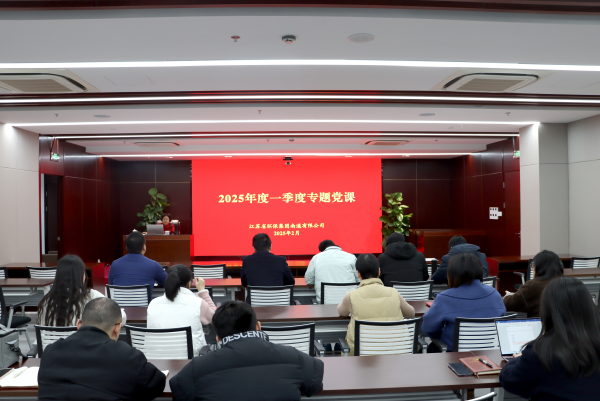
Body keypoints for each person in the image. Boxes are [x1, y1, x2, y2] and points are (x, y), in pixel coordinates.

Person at [169, 301, 324, 401]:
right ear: (258, 326)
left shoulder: (197, 367)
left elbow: (179, 391)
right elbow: (314, 384)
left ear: (218, 339)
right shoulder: (294, 357)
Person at [38, 298, 166, 401]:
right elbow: (157, 384)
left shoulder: (50, 352)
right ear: (117, 328)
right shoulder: (126, 356)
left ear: (79, 324)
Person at [500, 277, 600, 401]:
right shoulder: (595, 343)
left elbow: (510, 381)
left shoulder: (541, 352)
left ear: (548, 310)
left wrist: (517, 359)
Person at [422, 253, 505, 351]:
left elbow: (428, 329)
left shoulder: (444, 298)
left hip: (451, 354)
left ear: (451, 273)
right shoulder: (494, 294)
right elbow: (502, 323)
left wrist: (443, 335)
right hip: (488, 352)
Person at [337, 253, 415, 355]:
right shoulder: (393, 292)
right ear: (379, 271)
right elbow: (411, 314)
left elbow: (341, 312)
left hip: (363, 356)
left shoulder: (351, 296)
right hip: (396, 353)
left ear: (358, 274)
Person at [37, 254, 126, 326]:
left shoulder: (47, 300)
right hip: (82, 343)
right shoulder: (92, 296)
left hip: (50, 343)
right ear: (81, 275)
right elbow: (121, 317)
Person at [147, 264, 217, 354]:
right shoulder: (198, 303)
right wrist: (202, 291)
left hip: (155, 357)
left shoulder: (153, 303)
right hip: (190, 359)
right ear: (189, 283)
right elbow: (215, 317)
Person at [503, 250, 564, 317]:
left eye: (533, 266)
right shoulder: (568, 283)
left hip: (542, 323)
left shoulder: (533, 286)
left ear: (538, 267)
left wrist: (508, 295)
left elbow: (508, 305)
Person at [109, 231, 167, 297]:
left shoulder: (115, 264)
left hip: (119, 303)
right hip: (145, 304)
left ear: (126, 247)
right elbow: (168, 284)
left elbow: (111, 285)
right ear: (144, 247)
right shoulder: (153, 265)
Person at [305, 239, 358, 303]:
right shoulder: (351, 257)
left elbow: (309, 281)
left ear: (322, 251)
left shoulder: (317, 258)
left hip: (326, 304)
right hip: (349, 302)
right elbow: (359, 279)